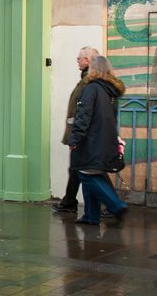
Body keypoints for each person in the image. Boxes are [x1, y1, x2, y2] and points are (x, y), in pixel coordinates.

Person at [68, 55, 128, 226]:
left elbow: (83, 116)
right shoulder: (111, 91)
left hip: (90, 139)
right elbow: (113, 118)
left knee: (86, 175)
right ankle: (91, 216)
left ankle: (116, 205)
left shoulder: (91, 88)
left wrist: (74, 138)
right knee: (92, 173)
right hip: (105, 139)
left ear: (93, 69)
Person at [52, 46, 99, 213]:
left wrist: (76, 136)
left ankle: (112, 204)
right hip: (79, 133)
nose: (77, 60)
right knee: (77, 168)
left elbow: (83, 112)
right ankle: (69, 201)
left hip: (81, 134)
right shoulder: (86, 79)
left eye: (79, 58)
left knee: (88, 170)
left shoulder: (89, 81)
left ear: (87, 60)